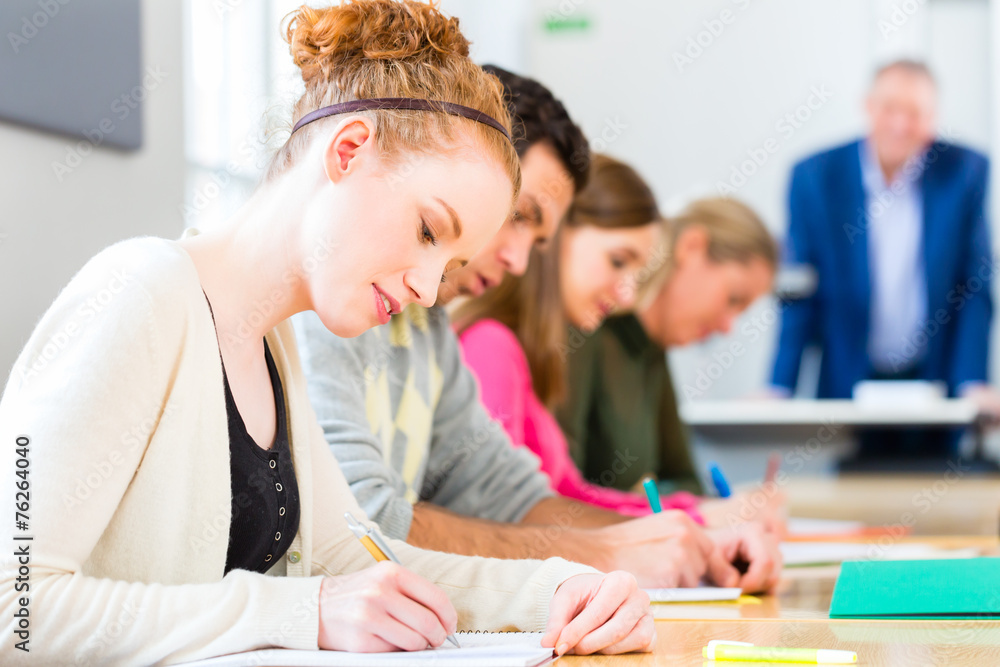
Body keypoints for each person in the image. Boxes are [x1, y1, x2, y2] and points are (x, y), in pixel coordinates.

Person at [0, 4, 656, 665]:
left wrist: (559, 588)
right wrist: (299, 610)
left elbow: (356, 558)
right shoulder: (139, 294)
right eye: (428, 230)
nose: (430, 291)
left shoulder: (275, 345)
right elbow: (13, 607)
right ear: (349, 151)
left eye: (451, 266)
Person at [296, 72, 781, 593]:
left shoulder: (426, 322)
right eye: (518, 215)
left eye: (538, 236)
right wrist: (602, 553)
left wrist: (686, 543)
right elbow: (360, 527)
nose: (520, 261)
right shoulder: (333, 301)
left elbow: (508, 496)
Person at [770, 60, 1000, 462]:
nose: (900, 125)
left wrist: (972, 381)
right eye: (890, 108)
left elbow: (974, 284)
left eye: (915, 113)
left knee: (936, 484)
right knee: (854, 488)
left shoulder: (965, 172)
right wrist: (778, 387)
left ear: (933, 119)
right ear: (868, 106)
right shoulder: (816, 176)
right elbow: (800, 289)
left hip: (935, 376)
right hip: (848, 378)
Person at [553, 196, 782, 531]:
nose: (727, 327)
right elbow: (558, 496)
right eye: (733, 299)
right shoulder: (586, 328)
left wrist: (720, 508)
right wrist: (670, 507)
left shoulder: (652, 349)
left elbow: (687, 481)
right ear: (692, 246)